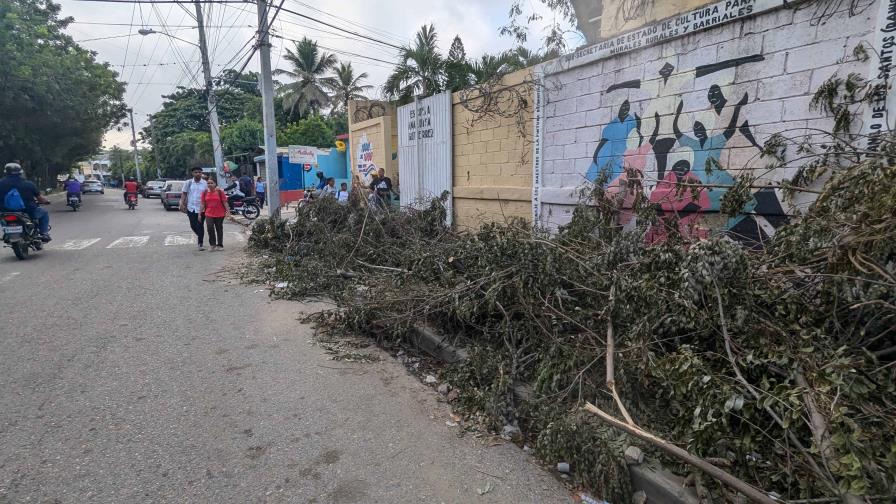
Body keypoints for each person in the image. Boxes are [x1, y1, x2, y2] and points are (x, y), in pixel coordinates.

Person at [0, 163, 51, 241]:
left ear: (6, 172)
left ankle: (6, 233)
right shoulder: (28, 184)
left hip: (5, 211)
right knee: (44, 213)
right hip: (28, 210)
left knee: (3, 219)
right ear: (20, 172)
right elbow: (40, 198)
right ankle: (44, 233)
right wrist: (46, 201)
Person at [180, 166, 208, 251]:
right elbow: (184, 193)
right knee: (193, 225)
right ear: (192, 173)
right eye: (196, 172)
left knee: (200, 225)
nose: (198, 174)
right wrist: (181, 203)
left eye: (199, 172)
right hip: (191, 207)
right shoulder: (188, 183)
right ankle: (200, 235)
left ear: (201, 173)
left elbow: (207, 195)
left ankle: (200, 243)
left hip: (201, 208)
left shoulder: (205, 183)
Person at [200, 178, 229, 251]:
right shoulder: (205, 192)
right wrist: (199, 214)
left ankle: (220, 245)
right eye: (208, 183)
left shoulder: (220, 192)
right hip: (208, 213)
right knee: (210, 228)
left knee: (219, 228)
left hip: (220, 213)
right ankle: (212, 244)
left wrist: (228, 212)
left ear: (215, 184)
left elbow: (225, 202)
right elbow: (203, 204)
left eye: (211, 183)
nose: (209, 184)